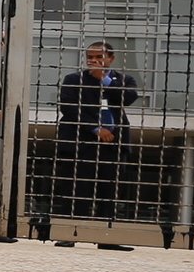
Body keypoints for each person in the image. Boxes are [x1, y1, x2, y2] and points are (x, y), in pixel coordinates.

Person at [52, 38, 138, 228]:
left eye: (99, 56)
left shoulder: (123, 80)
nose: (94, 60)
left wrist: (104, 80)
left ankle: (106, 235)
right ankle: (70, 232)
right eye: (90, 57)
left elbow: (129, 98)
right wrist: (95, 128)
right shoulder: (74, 80)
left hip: (112, 146)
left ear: (111, 58)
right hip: (81, 145)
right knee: (77, 190)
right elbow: (69, 107)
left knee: (109, 192)